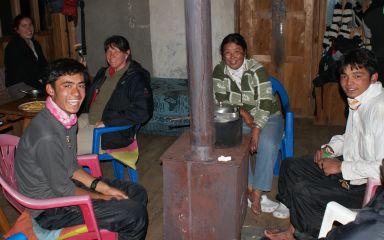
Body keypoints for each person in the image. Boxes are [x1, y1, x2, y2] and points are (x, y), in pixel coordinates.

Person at [14, 58, 148, 240]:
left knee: (136, 193)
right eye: (67, 86)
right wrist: (102, 197)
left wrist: (103, 188)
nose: (76, 93)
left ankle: (112, 231)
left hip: (62, 188)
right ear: (50, 89)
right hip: (50, 210)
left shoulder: (67, 120)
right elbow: (63, 190)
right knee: (134, 214)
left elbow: (70, 166)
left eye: (81, 85)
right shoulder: (46, 135)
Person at [267, 48, 384, 238]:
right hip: (351, 167)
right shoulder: (360, 100)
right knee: (291, 166)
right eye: (344, 76)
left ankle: (308, 233)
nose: (348, 83)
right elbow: (350, 137)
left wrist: (341, 167)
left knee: (303, 191)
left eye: (357, 75)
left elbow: (381, 168)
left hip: (366, 186)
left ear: (373, 77)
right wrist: (330, 148)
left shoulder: (379, 110)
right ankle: (295, 226)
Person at [212, 33, 284, 215]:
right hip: (240, 116)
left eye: (237, 51)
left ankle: (258, 194)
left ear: (244, 52)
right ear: (222, 54)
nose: (232, 56)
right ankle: (250, 187)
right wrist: (242, 112)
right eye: (227, 52)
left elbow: (266, 101)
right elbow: (220, 98)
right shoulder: (220, 71)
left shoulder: (256, 69)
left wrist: (257, 129)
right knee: (231, 140)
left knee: (267, 142)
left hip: (269, 115)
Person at [77, 35, 153, 155]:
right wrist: (81, 73)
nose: (111, 55)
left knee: (64, 144)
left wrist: (109, 122)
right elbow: (88, 95)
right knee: (57, 132)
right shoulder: (103, 73)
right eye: (108, 51)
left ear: (127, 53)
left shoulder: (136, 78)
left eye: (116, 51)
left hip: (110, 131)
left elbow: (143, 111)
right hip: (89, 118)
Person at [4, 14, 47, 100]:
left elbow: (44, 65)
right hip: (19, 86)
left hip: (34, 83)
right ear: (17, 30)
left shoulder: (35, 44)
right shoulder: (14, 46)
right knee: (42, 100)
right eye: (24, 26)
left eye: (30, 25)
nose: (29, 29)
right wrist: (43, 87)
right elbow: (24, 73)